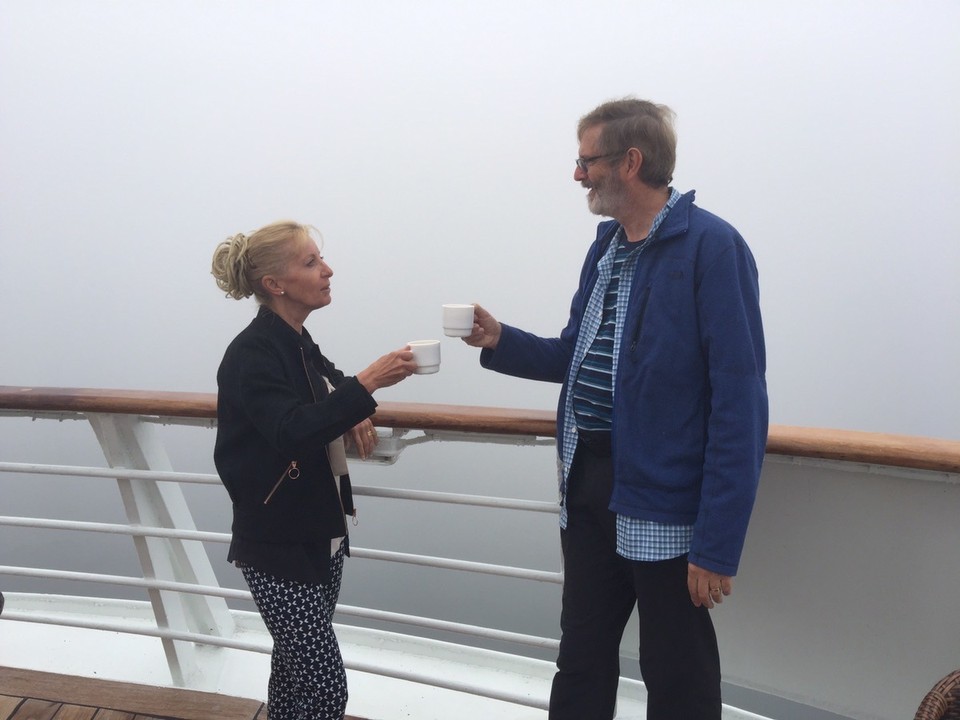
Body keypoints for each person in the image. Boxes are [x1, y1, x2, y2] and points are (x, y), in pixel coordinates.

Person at [463, 98, 768, 720]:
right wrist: (500, 341)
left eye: (586, 161)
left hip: (662, 499)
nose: (577, 175)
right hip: (587, 485)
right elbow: (576, 355)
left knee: (675, 669)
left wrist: (716, 544)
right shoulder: (605, 249)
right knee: (581, 657)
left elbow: (741, 402)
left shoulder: (713, 248)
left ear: (631, 161)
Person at [211, 220, 417, 720]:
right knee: (325, 688)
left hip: (316, 533)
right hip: (277, 544)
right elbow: (291, 430)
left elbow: (330, 386)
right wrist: (368, 383)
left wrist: (356, 402)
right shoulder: (252, 354)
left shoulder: (296, 341)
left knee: (293, 670)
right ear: (274, 284)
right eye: (310, 262)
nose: (327, 270)